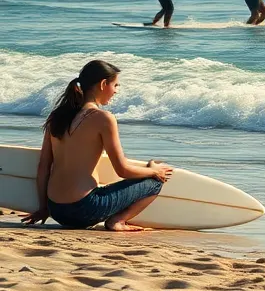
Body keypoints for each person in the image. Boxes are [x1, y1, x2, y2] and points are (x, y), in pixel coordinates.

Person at [20, 60, 173, 232]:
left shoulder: (57, 116)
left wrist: (43, 208)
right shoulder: (104, 118)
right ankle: (117, 221)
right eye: (115, 85)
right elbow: (122, 170)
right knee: (154, 183)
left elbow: (43, 167)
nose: (116, 91)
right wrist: (154, 171)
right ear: (102, 84)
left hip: (56, 210)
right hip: (84, 209)